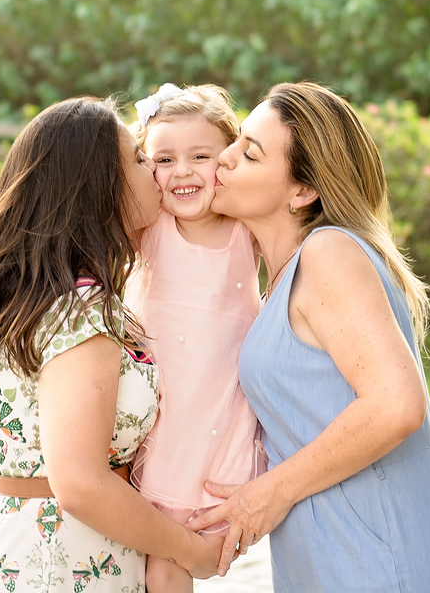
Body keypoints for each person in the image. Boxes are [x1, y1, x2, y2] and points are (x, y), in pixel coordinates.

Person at [189, 82, 430, 593]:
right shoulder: (286, 275)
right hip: (341, 560)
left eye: (249, 152)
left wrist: (270, 493)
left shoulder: (328, 253)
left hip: (387, 561)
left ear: (302, 191)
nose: (224, 158)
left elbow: (397, 405)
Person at [0, 97, 223, 593]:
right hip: (63, 567)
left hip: (10, 553)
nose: (155, 174)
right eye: (140, 159)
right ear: (100, 187)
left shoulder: (34, 294)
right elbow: (80, 483)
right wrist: (189, 548)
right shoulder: (81, 310)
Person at [124, 84, 264, 593]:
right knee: (151, 561)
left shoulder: (247, 227)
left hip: (217, 424)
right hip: (161, 423)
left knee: (173, 559)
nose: (182, 171)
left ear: (226, 160)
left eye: (200, 156)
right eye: (163, 159)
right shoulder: (147, 226)